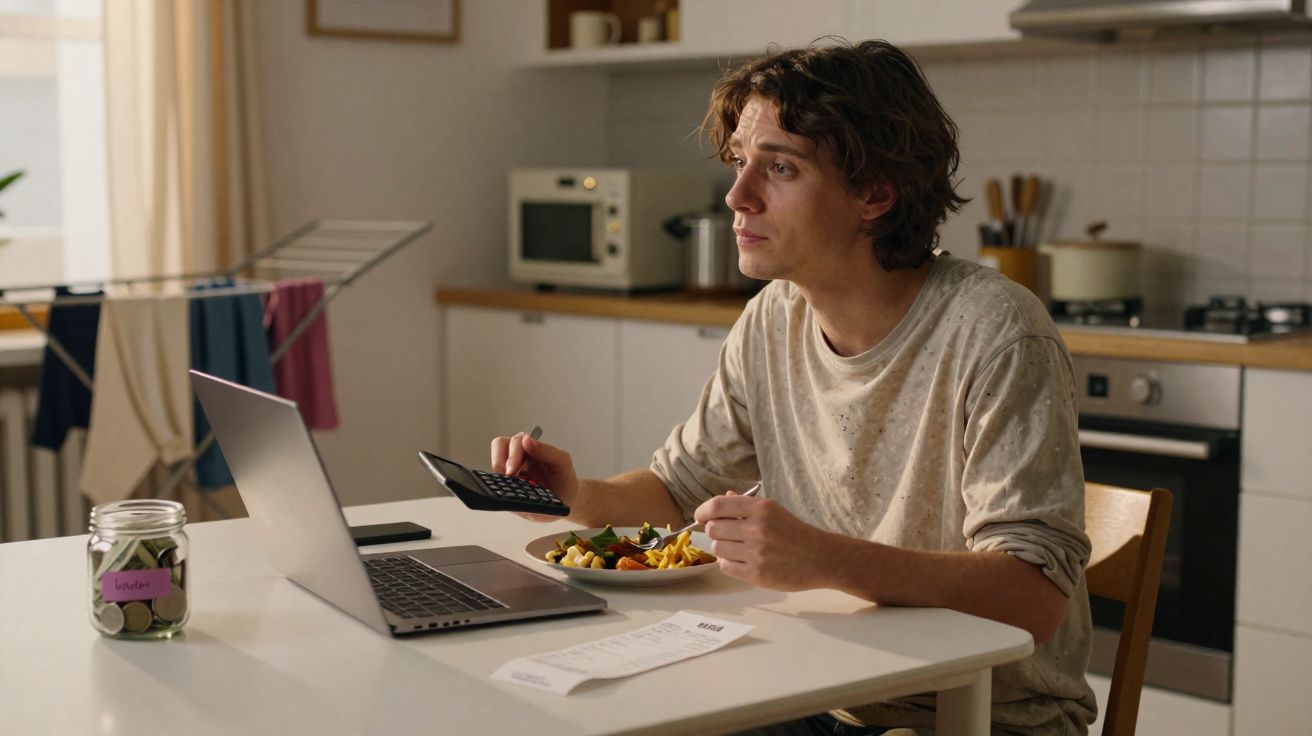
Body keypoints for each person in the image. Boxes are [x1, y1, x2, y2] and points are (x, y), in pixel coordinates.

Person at [491, 39, 1095, 736]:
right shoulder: (773, 317)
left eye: (779, 167)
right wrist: (576, 494)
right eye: (740, 162)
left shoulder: (995, 330)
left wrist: (823, 559)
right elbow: (680, 487)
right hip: (826, 689)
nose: (737, 195)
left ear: (875, 193)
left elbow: (1034, 597)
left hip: (984, 714)